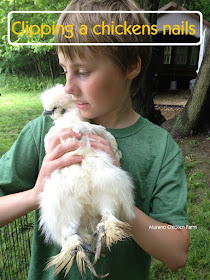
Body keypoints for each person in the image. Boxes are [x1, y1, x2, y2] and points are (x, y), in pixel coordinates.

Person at [0, 0, 190, 279]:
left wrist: (119, 198)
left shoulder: (160, 149)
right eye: (65, 69)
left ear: (131, 66)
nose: (68, 87)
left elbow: (176, 252)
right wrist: (35, 193)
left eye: (83, 71)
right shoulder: (45, 131)